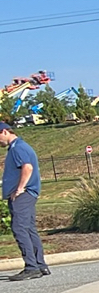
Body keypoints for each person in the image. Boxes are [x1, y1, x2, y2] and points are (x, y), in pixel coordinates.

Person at [1, 120, 48, 281]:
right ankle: (40, 265)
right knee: (28, 229)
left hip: (23, 195)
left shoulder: (18, 148)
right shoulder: (20, 147)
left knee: (19, 228)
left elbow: (28, 168)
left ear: (4, 132)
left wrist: (20, 188)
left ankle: (31, 267)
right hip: (28, 195)